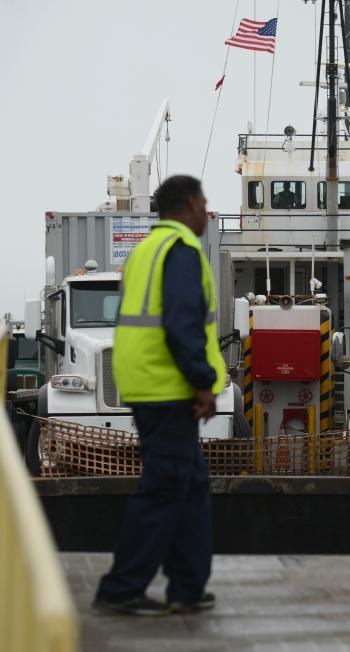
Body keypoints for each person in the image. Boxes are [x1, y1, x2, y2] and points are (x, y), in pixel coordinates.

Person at [93, 175, 226, 616]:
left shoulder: (143, 252)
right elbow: (181, 323)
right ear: (188, 204)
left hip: (144, 384)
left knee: (188, 486)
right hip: (169, 388)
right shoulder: (181, 251)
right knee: (166, 488)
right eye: (204, 202)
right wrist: (202, 382)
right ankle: (121, 588)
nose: (207, 211)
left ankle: (187, 587)